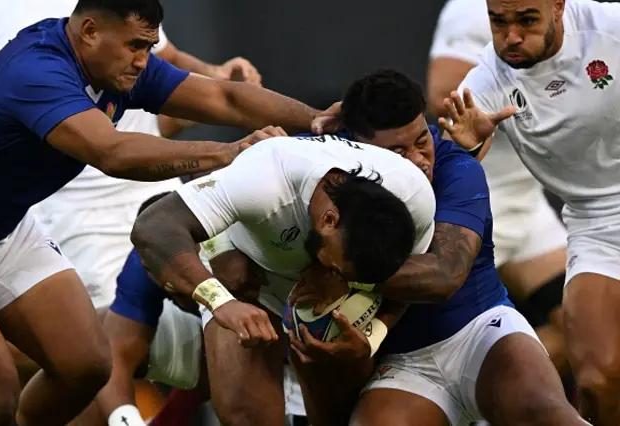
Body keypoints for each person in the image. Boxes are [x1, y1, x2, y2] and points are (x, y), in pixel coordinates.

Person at [0, 0, 337, 424]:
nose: (143, 61)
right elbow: (113, 153)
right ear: (90, 30)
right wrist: (231, 153)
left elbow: (225, 97)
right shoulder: (36, 70)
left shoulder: (112, 60)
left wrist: (324, 123)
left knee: (88, 367)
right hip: (75, 217)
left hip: (5, 224)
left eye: (149, 46)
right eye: (135, 45)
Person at [287, 70, 587, 426]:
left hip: (479, 330)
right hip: (402, 364)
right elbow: (230, 103)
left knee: (545, 414)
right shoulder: (321, 173)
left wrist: (342, 272)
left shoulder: (456, 168)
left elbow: (444, 276)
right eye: (397, 151)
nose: (418, 160)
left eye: (420, 141)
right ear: (358, 148)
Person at [130, 134, 437, 426]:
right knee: (244, 416)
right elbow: (153, 226)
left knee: (337, 420)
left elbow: (410, 285)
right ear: (329, 221)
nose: (337, 277)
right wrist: (219, 290)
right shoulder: (265, 180)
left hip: (330, 309)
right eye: (338, 269)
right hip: (249, 283)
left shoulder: (414, 198)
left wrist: (374, 334)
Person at [449, 0, 620, 423]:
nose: (511, 37)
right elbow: (450, 164)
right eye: (498, 21)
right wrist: (466, 146)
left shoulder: (609, 27)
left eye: (527, 20)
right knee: (598, 381)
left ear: (558, 7)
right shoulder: (486, 80)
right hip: (594, 221)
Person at [64, 191, 307, 426]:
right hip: (228, 340)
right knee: (93, 340)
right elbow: (115, 357)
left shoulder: (245, 247)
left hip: (302, 340)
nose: (167, 287)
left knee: (236, 365)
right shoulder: (148, 258)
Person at [427, 0, 569, 376]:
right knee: (429, 342)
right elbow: (442, 93)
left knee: (582, 326)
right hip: (477, 199)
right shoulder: (469, 9)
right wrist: (537, 87)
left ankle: (491, 400)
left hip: (527, 203)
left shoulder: (583, 15)